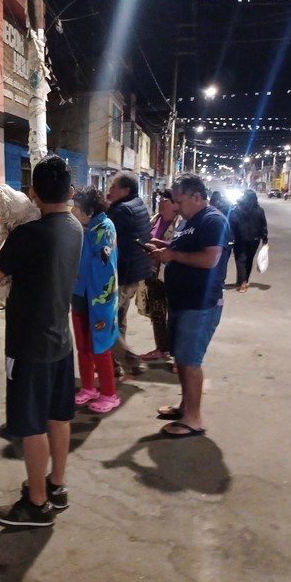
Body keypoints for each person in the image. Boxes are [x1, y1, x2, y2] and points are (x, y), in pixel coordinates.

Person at [0, 155, 83, 527]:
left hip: (29, 345)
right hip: (61, 340)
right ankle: (57, 485)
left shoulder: (27, 235)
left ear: (32, 193)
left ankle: (36, 504)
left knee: (31, 425)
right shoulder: (75, 227)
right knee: (58, 416)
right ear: (71, 192)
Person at [150, 173, 229, 438]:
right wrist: (163, 247)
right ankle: (185, 406)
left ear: (197, 197)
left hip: (200, 304)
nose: (176, 207)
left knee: (191, 361)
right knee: (181, 358)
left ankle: (193, 418)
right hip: (183, 301)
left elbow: (209, 260)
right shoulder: (189, 222)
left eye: (180, 201)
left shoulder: (213, 220)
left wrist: (171, 255)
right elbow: (181, 248)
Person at [70, 187, 120, 413]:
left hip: (98, 300)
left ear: (89, 211)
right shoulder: (85, 227)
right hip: (80, 295)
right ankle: (89, 387)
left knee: (100, 347)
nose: (73, 210)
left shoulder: (103, 228)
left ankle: (109, 394)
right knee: (83, 347)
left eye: (77, 207)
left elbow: (103, 267)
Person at [106, 170, 153, 378]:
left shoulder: (122, 211)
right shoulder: (138, 205)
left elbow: (103, 237)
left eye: (114, 186)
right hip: (135, 274)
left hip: (123, 276)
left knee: (105, 322)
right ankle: (114, 364)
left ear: (125, 190)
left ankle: (130, 361)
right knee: (119, 319)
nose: (110, 189)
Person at [136, 189, 183, 363]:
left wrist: (159, 244)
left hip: (172, 274)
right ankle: (161, 348)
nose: (161, 202)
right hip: (153, 273)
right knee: (157, 313)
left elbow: (181, 245)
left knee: (175, 315)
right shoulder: (155, 219)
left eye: (166, 200)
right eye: (160, 199)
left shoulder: (180, 223)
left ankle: (179, 357)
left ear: (175, 205)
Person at [228, 189, 268, 293]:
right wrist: (265, 239)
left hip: (240, 238)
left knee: (240, 260)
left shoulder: (236, 209)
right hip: (254, 240)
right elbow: (263, 226)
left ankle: (242, 283)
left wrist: (231, 237)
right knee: (249, 260)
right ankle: (244, 281)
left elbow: (232, 224)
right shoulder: (259, 210)